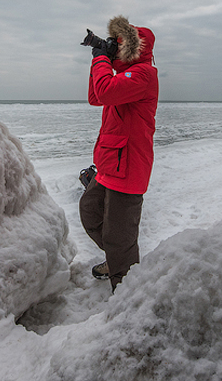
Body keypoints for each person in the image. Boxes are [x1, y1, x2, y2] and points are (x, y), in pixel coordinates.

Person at [79, 15, 158, 290]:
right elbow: (95, 96)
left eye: (117, 44)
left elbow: (105, 91)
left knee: (119, 236)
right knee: (89, 211)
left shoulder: (144, 75)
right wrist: (98, 59)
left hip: (129, 168)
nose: (112, 47)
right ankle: (118, 257)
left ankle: (126, 293)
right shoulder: (124, 76)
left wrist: (102, 59)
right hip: (111, 165)